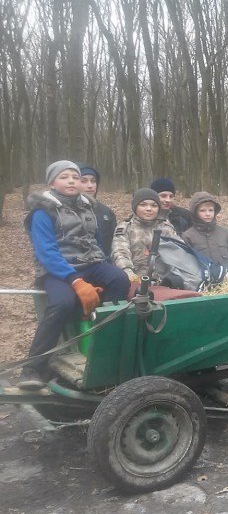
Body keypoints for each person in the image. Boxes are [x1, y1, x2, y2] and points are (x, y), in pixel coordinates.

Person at [20, 160, 130, 389]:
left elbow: (95, 242)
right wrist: (77, 282)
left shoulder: (88, 206)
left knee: (119, 280)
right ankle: (32, 368)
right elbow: (47, 253)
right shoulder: (42, 212)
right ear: (52, 183)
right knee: (62, 303)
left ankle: (103, 347)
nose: (71, 181)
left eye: (75, 177)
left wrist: (105, 268)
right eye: (64, 177)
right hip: (57, 269)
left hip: (91, 263)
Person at [111, 188, 179, 283]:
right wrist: (128, 273)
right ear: (135, 207)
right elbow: (120, 253)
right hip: (135, 279)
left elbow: (179, 252)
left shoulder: (166, 228)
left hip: (164, 280)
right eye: (143, 205)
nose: (149, 209)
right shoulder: (125, 228)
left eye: (154, 205)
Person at [182, 191, 228, 269]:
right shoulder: (188, 236)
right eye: (202, 210)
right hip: (201, 276)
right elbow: (186, 264)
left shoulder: (225, 233)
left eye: (210, 210)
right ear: (195, 213)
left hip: (227, 275)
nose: (208, 214)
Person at [78, 163, 117, 256]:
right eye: (83, 181)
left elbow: (115, 244)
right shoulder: (65, 211)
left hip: (104, 261)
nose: (90, 185)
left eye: (93, 181)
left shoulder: (106, 212)